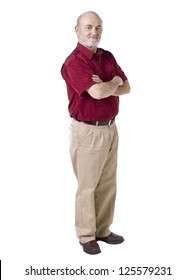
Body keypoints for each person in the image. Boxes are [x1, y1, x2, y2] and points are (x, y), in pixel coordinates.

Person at [61, 11, 131, 255]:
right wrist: (113, 82)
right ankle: (86, 235)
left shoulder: (107, 56)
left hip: (111, 128)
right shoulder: (73, 63)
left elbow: (128, 87)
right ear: (77, 30)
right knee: (88, 186)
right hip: (88, 132)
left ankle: (103, 229)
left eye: (98, 28)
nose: (94, 32)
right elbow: (99, 93)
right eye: (89, 27)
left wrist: (106, 83)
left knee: (108, 183)